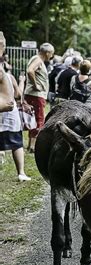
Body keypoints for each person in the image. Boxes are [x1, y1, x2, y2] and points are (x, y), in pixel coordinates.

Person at [0, 32, 31, 181]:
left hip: (3, 114)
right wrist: (22, 81)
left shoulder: (5, 76)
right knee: (17, 144)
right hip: (9, 116)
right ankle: (21, 173)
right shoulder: (9, 77)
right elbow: (18, 95)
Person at [24, 42, 54, 153]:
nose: (51, 56)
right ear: (47, 53)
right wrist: (36, 85)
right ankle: (33, 146)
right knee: (39, 119)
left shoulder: (35, 58)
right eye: (51, 53)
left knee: (33, 119)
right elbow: (30, 70)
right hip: (36, 95)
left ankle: (30, 145)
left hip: (33, 94)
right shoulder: (38, 60)